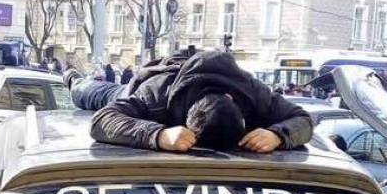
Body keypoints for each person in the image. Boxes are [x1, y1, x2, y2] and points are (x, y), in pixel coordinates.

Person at [68, 49, 313, 153]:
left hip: (194, 73)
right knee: (88, 93)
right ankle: (73, 78)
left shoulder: (255, 94)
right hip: (137, 88)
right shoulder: (157, 96)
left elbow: (304, 119)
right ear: (185, 118)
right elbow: (102, 120)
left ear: (232, 98)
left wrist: (278, 135)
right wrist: (158, 135)